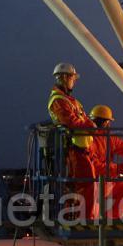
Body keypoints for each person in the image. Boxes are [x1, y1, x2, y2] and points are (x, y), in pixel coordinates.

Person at [47, 62, 97, 221]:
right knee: (85, 185)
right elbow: (72, 122)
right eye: (72, 78)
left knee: (83, 186)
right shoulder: (58, 100)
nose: (74, 81)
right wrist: (90, 125)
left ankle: (82, 218)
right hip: (72, 149)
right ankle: (84, 220)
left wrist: (89, 124)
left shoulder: (71, 100)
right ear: (63, 78)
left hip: (81, 149)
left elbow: (83, 118)